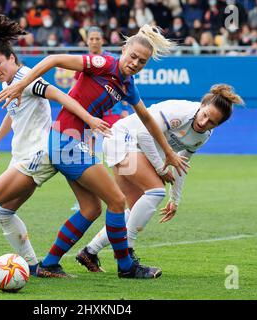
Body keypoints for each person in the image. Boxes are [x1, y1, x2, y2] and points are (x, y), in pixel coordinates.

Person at [0, 24, 189, 279]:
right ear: (123, 50)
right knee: (118, 201)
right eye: (132, 57)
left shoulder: (127, 85)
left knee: (91, 209)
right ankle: (126, 267)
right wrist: (22, 86)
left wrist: (168, 152)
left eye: (142, 62)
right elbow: (54, 59)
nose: (135, 63)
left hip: (72, 142)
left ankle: (50, 263)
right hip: (66, 140)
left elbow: (147, 118)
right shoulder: (103, 64)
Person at [0, 12, 110, 277]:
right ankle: (33, 266)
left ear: (11, 58)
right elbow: (13, 112)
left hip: (38, 155)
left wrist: (90, 118)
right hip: (23, 154)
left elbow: (59, 96)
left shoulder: (28, 78)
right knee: (5, 213)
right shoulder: (12, 82)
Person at [75, 84, 244, 273]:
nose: (204, 123)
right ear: (201, 105)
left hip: (134, 149)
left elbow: (180, 164)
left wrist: (175, 199)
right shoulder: (181, 111)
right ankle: (127, 254)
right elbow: (144, 133)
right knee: (155, 191)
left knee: (135, 209)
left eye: (212, 122)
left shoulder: (202, 136)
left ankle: (89, 252)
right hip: (122, 139)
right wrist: (160, 169)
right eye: (205, 115)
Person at [70, 26, 130, 212]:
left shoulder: (110, 60)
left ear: (102, 40)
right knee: (88, 157)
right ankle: (90, 196)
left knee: (119, 156)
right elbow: (73, 91)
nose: (94, 41)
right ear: (87, 41)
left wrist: (125, 108)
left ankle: (123, 195)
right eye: (92, 38)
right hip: (91, 118)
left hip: (111, 116)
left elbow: (125, 85)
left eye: (97, 38)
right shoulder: (82, 63)